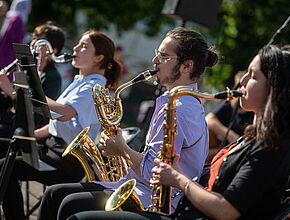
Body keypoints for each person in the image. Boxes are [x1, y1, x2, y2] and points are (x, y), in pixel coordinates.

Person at [68, 44, 290, 220]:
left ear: (274, 87)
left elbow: (225, 210)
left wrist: (177, 178)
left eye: (252, 76)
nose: (241, 80)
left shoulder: (271, 147)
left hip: (179, 209)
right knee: (66, 202)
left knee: (74, 211)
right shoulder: (255, 136)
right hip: (181, 206)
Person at [36, 27, 218, 220]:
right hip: (139, 187)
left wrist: (121, 149)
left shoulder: (179, 109)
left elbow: (152, 172)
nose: (154, 61)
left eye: (163, 56)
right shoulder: (177, 101)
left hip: (152, 200)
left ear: (187, 66)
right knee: (55, 195)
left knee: (66, 204)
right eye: (157, 54)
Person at [0, 29, 121, 220]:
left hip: (66, 160)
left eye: (84, 46)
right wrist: (26, 137)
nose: (75, 48)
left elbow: (65, 113)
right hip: (50, 148)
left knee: (5, 168)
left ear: (99, 57)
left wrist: (28, 90)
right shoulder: (81, 80)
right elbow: (56, 124)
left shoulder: (94, 86)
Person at [0, 22, 64, 154]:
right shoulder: (30, 69)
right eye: (34, 38)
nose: (33, 43)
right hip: (13, 120)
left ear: (54, 50)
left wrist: (11, 91)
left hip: (29, 129)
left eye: (41, 41)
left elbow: (38, 110)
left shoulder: (53, 77)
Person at [205, 71, 254, 164]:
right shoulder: (230, 104)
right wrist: (230, 135)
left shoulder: (254, 110)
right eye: (238, 85)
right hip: (226, 149)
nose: (240, 90)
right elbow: (209, 119)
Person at [0, 0, 31, 80]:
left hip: (5, 49)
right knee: (7, 74)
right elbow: (14, 37)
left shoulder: (11, 17)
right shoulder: (17, 18)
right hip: (9, 52)